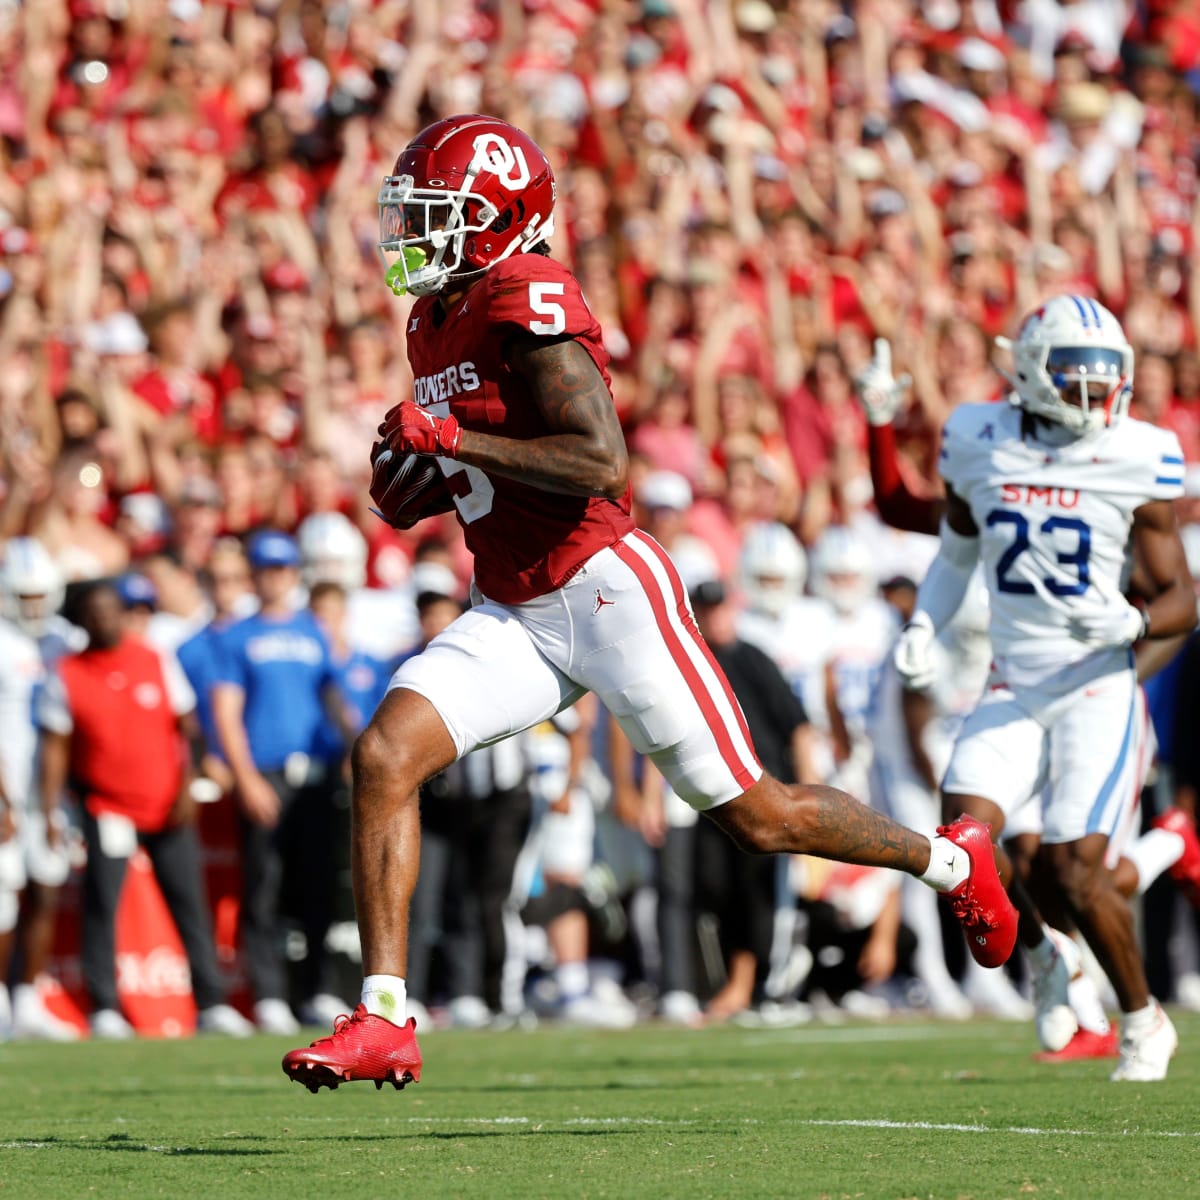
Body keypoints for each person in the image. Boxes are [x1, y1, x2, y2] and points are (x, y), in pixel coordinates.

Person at [282, 114, 1016, 1092]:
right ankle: (385, 1018)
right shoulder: (433, 316)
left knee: (761, 817)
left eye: (443, 217)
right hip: (513, 608)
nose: (420, 236)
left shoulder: (527, 292)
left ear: (504, 221)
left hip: (607, 590)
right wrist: (411, 473)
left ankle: (953, 863)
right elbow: (451, 468)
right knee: (383, 756)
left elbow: (597, 459)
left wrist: (451, 441)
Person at [890, 295, 1197, 1081]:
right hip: (1012, 677)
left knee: (1073, 870)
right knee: (962, 838)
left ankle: (1142, 1018)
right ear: (1027, 371)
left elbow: (1182, 596)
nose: (1096, 394)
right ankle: (1044, 958)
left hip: (1097, 685)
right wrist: (927, 621)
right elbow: (957, 549)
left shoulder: (1140, 452)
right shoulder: (976, 436)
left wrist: (1130, 626)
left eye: (1108, 377)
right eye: (1075, 376)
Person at [35, 580, 252, 1038]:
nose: (105, 620)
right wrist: (52, 808)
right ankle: (105, 1008)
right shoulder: (67, 672)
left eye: (112, 610)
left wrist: (187, 786)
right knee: (101, 907)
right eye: (94, 612)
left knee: (190, 904)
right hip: (106, 805)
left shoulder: (154, 657)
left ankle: (212, 1003)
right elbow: (56, 747)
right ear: (81, 619)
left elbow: (186, 726)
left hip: (167, 806)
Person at [211, 530, 355, 1034]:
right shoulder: (237, 636)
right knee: (264, 888)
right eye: (265, 569)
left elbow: (334, 697)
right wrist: (246, 778)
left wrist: (356, 745)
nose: (273, 578)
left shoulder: (315, 631)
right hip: (267, 773)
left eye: (281, 569)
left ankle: (315, 988)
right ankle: (270, 994)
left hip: (315, 775)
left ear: (294, 574)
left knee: (317, 887)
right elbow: (226, 713)